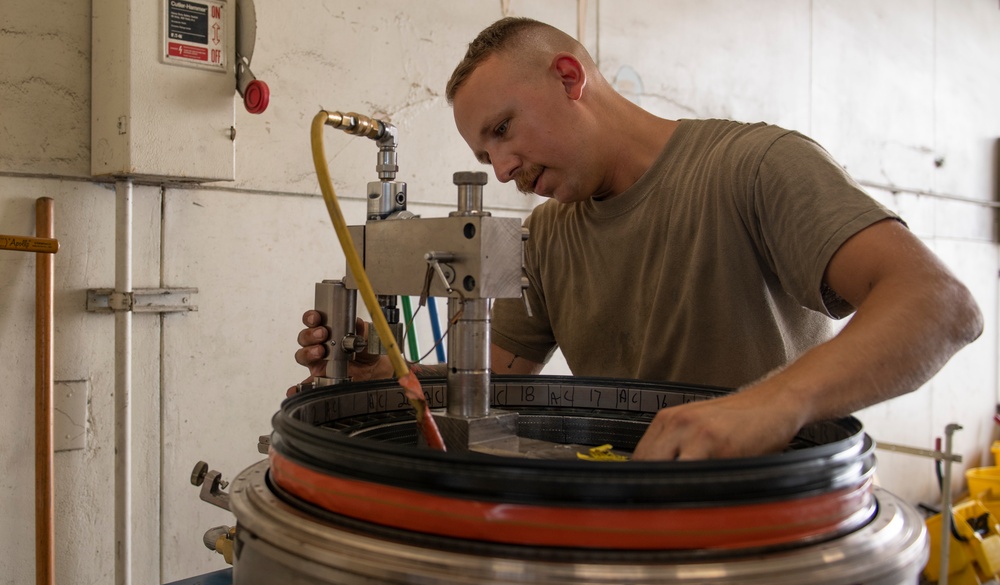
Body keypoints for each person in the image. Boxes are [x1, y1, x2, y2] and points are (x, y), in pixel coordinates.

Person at [294, 17, 983, 461]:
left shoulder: (754, 168)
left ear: (569, 77)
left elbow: (940, 305)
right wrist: (397, 380)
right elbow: (494, 385)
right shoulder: (547, 236)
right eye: (485, 158)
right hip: (622, 521)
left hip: (765, 528)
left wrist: (771, 405)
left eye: (503, 129)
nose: (502, 169)